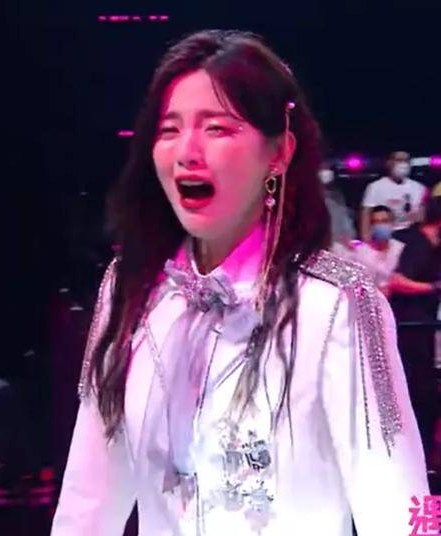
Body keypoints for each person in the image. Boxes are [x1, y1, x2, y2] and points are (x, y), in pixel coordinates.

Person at [51, 31, 427, 536]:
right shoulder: (129, 289)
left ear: (279, 152)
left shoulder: (336, 303)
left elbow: (398, 503)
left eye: (217, 129)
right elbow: (88, 498)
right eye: (169, 129)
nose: (187, 151)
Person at [389, 196, 441, 465]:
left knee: (426, 387)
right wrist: (432, 288)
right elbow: (396, 281)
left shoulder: (434, 246)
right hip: (409, 325)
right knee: (416, 388)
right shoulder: (418, 244)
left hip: (425, 324)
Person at [359, 151, 426, 242]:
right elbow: (366, 214)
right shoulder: (375, 187)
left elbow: (422, 216)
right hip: (386, 236)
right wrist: (366, 238)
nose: (403, 164)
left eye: (406, 160)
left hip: (411, 235)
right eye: (399, 160)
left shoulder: (419, 187)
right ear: (389, 163)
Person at [346, 205, 404, 297]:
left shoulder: (401, 249)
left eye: (384, 221)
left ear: (392, 224)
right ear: (371, 226)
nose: (380, 226)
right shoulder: (361, 253)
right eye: (376, 222)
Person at [319, 162, 355, 247]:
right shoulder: (308, 196)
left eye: (327, 169)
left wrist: (349, 237)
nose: (325, 172)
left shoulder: (337, 196)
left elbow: (345, 219)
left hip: (337, 244)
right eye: (322, 169)